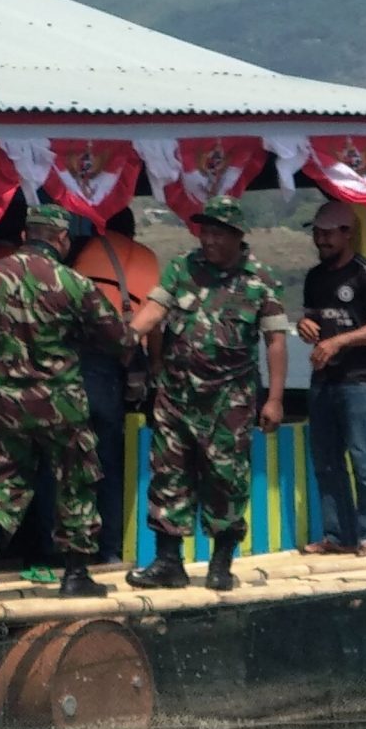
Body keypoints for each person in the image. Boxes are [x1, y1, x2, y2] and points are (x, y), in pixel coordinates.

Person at [0, 200, 129, 601]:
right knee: (75, 482)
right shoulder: (74, 283)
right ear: (61, 239)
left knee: (5, 478)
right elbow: (117, 338)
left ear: (26, 235)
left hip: (6, 404)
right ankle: (76, 574)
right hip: (61, 404)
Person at [125, 198, 289, 593]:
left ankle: (220, 564)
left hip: (228, 400)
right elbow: (154, 311)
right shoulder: (183, 268)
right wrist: (128, 335)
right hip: (177, 395)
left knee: (226, 480)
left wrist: (275, 399)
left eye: (217, 233)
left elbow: (276, 342)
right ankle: (168, 563)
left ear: (237, 236)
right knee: (168, 477)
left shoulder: (260, 280)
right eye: (205, 231)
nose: (209, 240)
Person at [299, 201, 366, 556]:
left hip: (358, 379)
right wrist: (304, 327)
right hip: (323, 378)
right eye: (317, 233)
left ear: (346, 232)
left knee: (363, 459)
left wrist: (340, 340)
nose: (320, 240)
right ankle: (338, 534)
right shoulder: (315, 277)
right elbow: (312, 318)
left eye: (327, 234)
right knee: (325, 460)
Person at [71, 206, 159, 565]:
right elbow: (156, 324)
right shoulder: (148, 259)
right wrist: (153, 370)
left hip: (79, 359)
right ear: (133, 230)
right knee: (109, 457)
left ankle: (65, 549)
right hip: (123, 360)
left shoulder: (81, 250)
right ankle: (108, 549)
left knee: (69, 458)